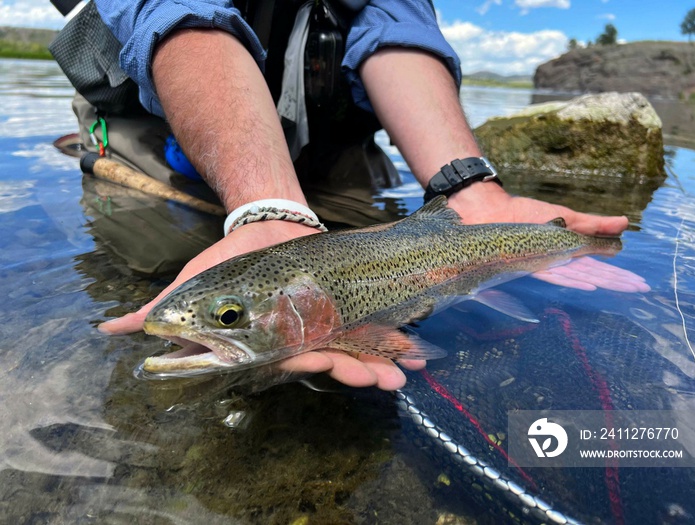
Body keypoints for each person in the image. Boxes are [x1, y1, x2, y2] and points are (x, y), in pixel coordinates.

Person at [93, 0, 648, 390]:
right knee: (155, 254)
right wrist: (267, 207)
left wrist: (468, 188)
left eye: (230, 316)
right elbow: (173, 15)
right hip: (173, 132)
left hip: (332, 147)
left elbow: (397, 29)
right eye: (230, 317)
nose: (227, 319)